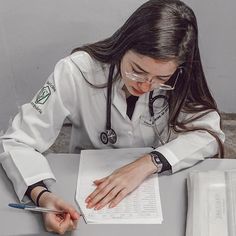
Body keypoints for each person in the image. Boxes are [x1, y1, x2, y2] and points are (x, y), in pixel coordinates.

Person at [0, 0, 225, 234]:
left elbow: (209, 134)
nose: (146, 85)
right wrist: (41, 196)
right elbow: (17, 141)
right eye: (137, 70)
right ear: (123, 45)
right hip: (85, 183)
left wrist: (148, 163)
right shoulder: (76, 71)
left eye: (160, 79)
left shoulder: (178, 77)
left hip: (153, 184)